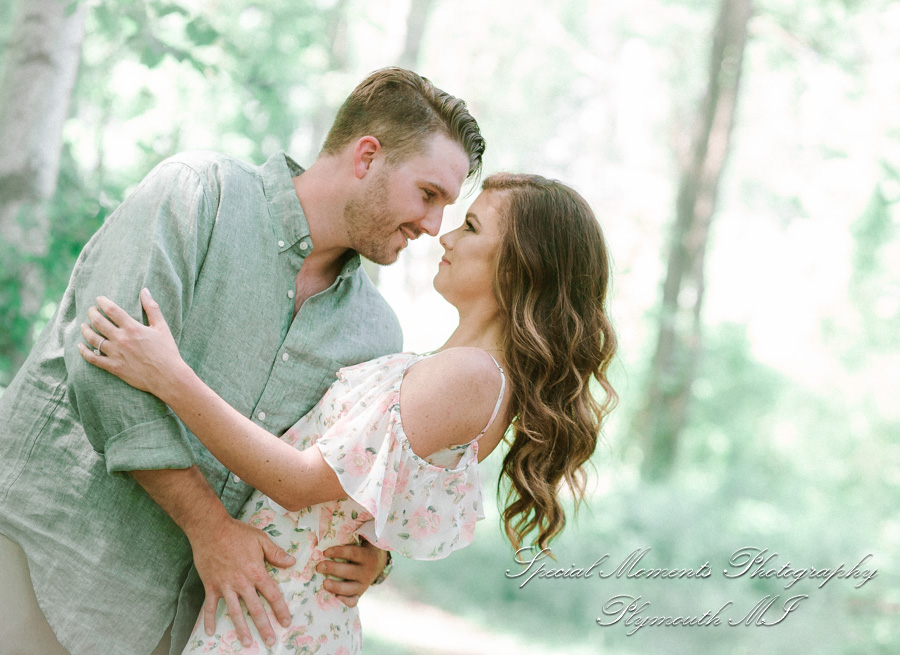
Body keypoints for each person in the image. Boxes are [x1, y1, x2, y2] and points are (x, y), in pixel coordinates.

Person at [0, 67, 485, 655]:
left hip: (179, 620)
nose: (433, 227)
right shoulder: (196, 193)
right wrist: (209, 528)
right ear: (366, 157)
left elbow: (340, 475)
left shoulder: (375, 332)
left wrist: (371, 559)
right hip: (44, 560)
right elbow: (104, 370)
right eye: (428, 195)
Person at [78, 172, 618, 653]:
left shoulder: (473, 376)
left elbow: (299, 482)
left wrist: (170, 377)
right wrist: (376, 558)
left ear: (523, 266)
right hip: (283, 604)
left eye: (471, 227)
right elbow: (379, 497)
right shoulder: (467, 372)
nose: (446, 236)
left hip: (279, 615)